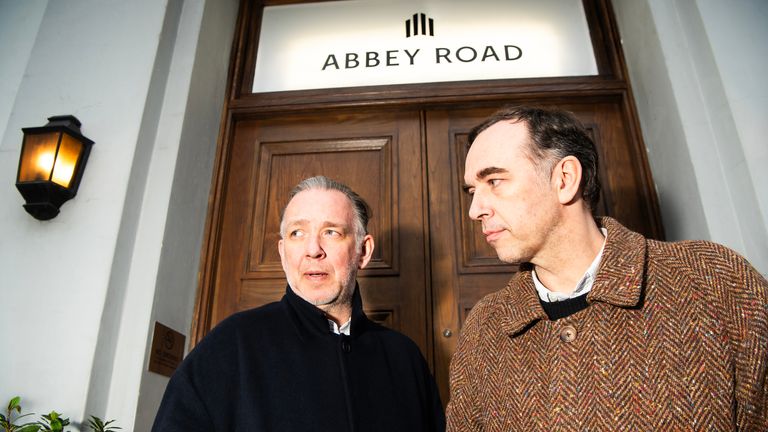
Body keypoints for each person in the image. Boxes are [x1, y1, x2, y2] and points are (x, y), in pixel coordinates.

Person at [447, 106, 767, 431]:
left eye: (494, 181)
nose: (474, 210)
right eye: (472, 191)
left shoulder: (711, 277)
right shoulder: (483, 327)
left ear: (565, 179)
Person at [153, 176, 445, 431]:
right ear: (283, 252)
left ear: (363, 251)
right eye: (297, 233)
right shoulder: (230, 345)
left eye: (331, 232)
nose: (313, 250)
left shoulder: (405, 359)